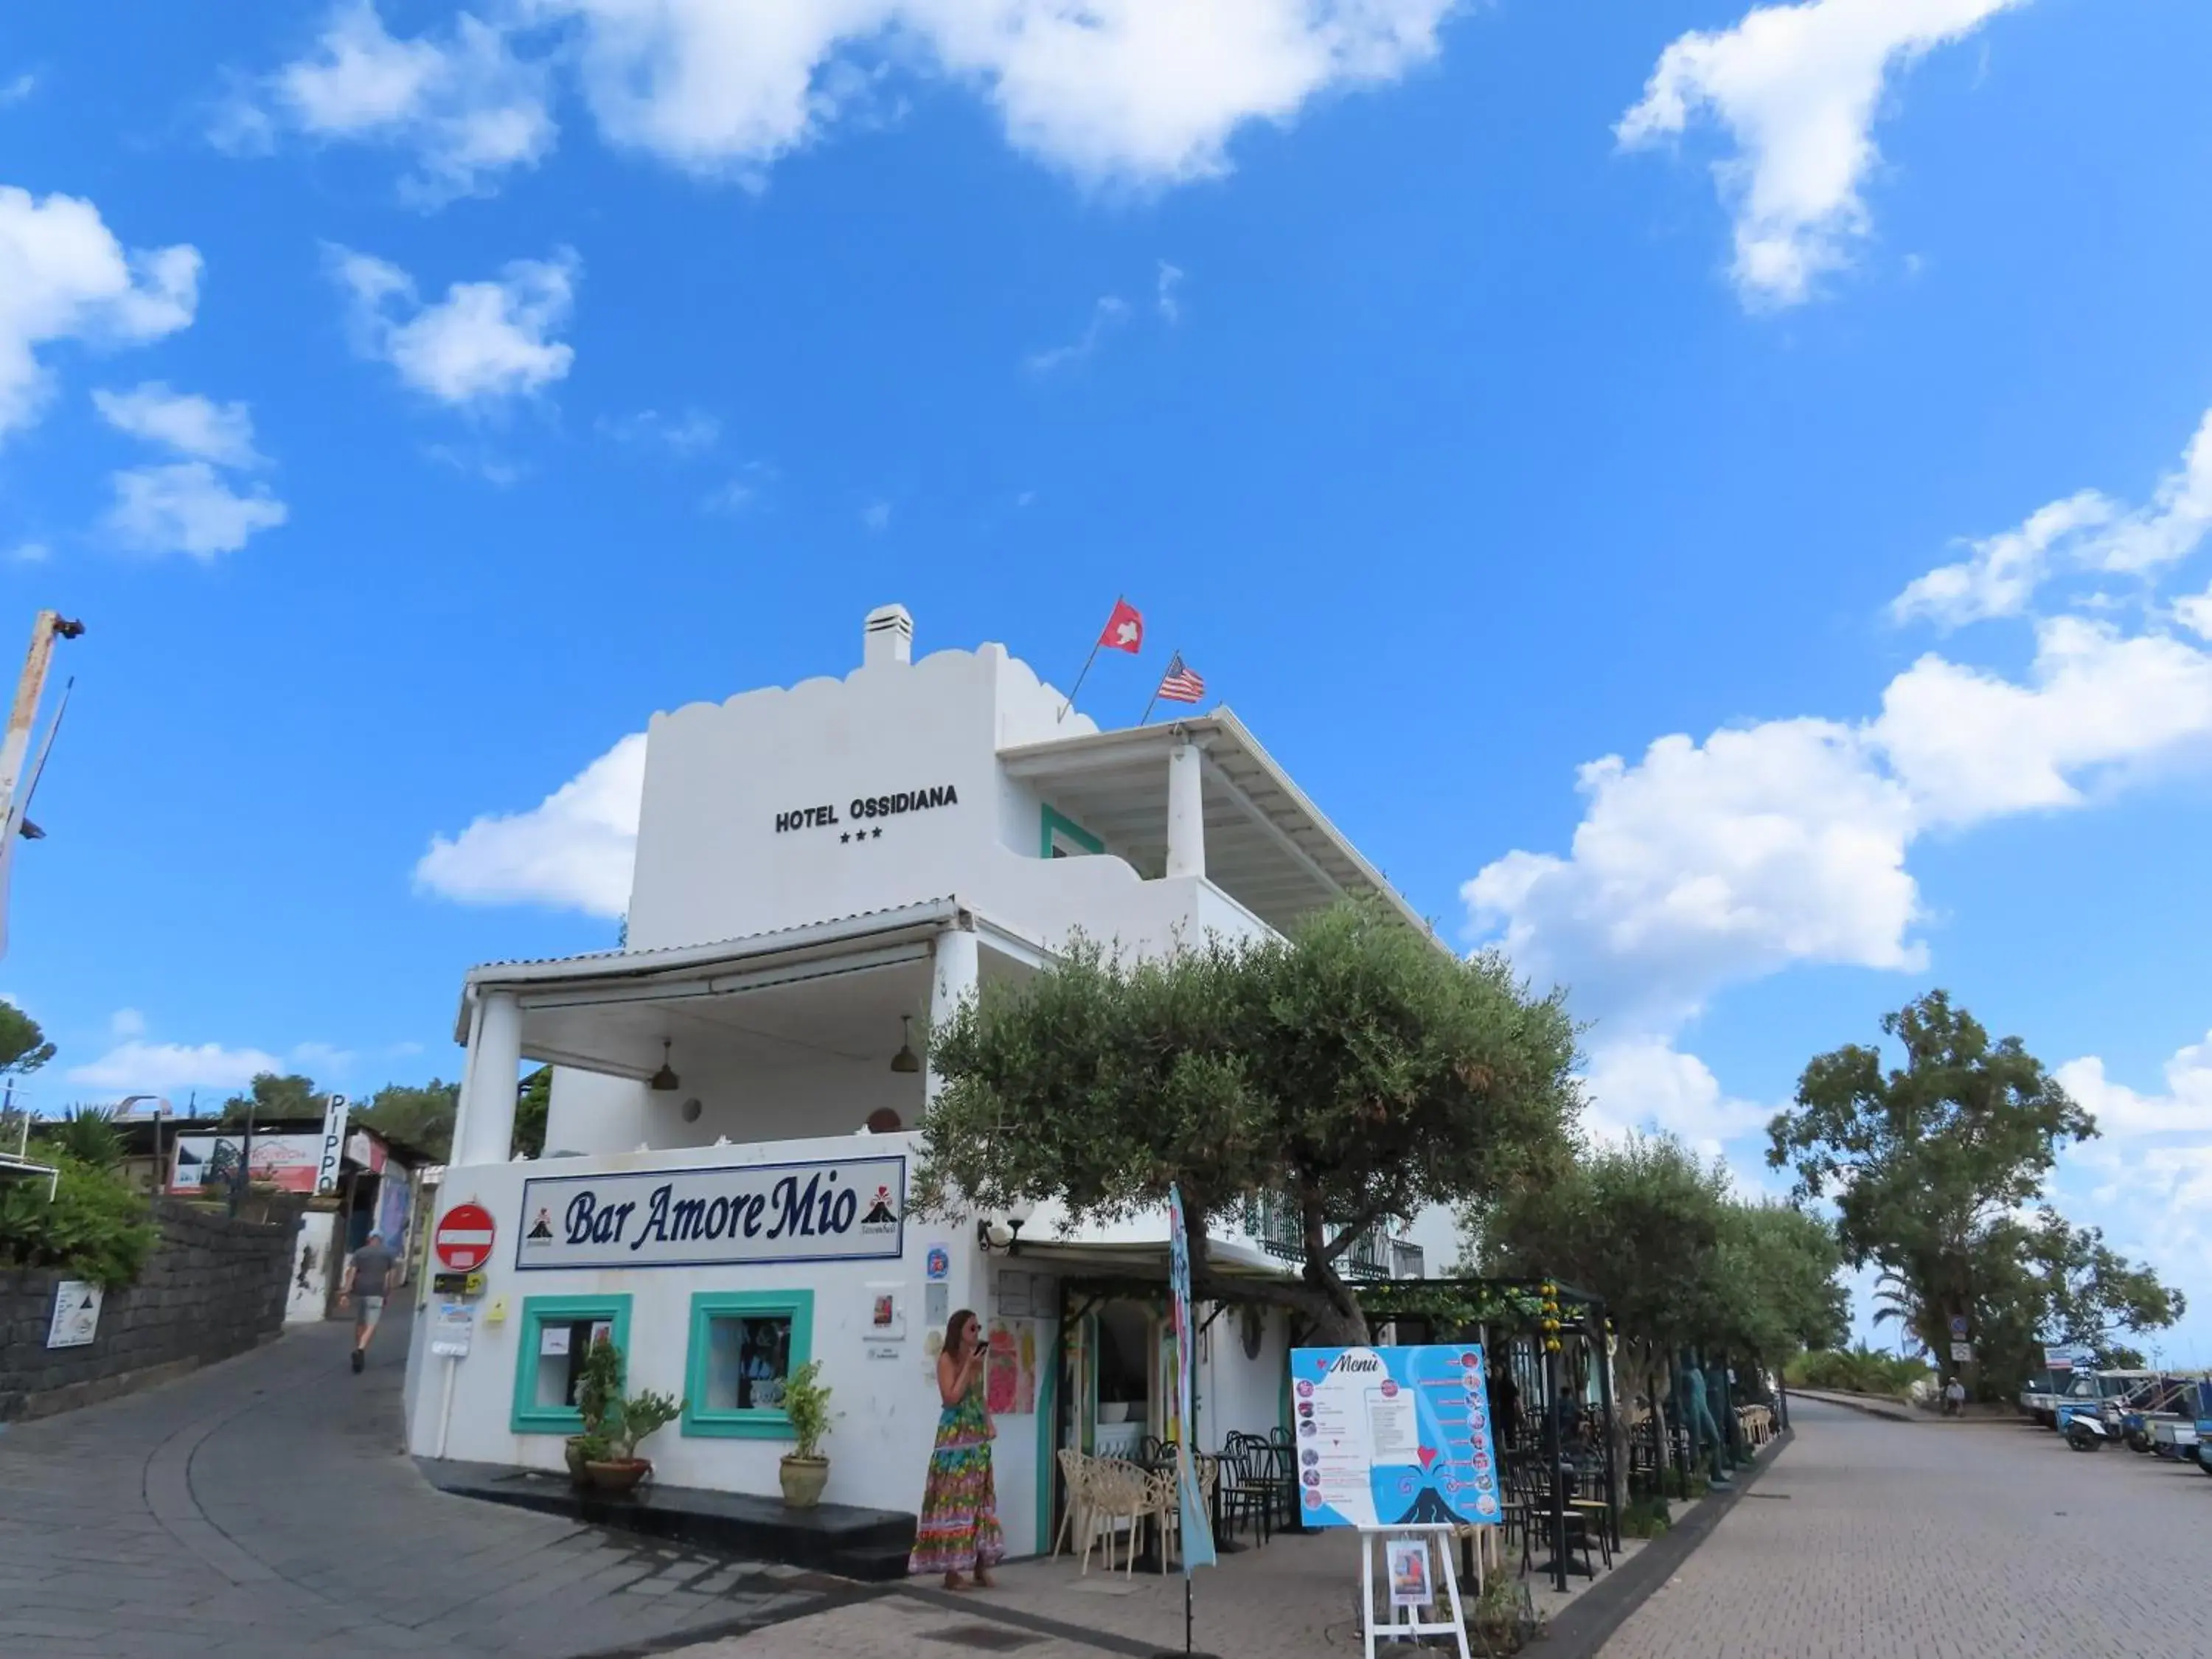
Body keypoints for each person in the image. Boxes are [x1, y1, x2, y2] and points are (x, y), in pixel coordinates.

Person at [908, 1309, 1004, 1590]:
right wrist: (968, 1369)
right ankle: (951, 1571)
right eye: (972, 1329)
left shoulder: (976, 1362)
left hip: (975, 1437)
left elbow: (978, 1396)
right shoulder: (947, 1360)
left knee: (978, 1500)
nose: (977, 1334)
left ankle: (980, 1566)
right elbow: (950, 1397)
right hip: (954, 1440)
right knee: (954, 1499)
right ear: (959, 1332)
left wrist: (989, 1422)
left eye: (978, 1328)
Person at [341, 1231, 397, 1374]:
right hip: (377, 1292)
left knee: (360, 1322)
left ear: (369, 1239)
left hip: (359, 1291)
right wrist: (388, 1291)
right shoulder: (388, 1254)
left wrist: (346, 1292)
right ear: (381, 1240)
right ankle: (361, 1348)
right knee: (372, 1324)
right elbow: (391, 1275)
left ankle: (358, 1347)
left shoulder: (360, 1253)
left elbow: (352, 1273)